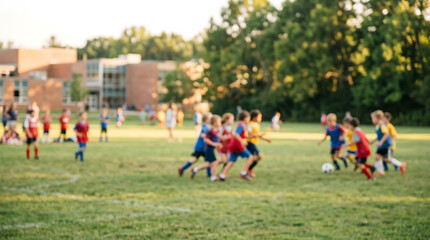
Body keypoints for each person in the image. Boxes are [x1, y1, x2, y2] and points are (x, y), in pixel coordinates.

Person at [219, 111, 254, 181]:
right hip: (237, 145)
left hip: (233, 145)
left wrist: (255, 136)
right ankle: (243, 173)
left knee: (232, 161)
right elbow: (235, 134)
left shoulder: (241, 125)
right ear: (245, 118)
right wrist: (242, 141)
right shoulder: (241, 125)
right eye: (248, 118)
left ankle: (222, 176)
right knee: (250, 157)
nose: (249, 120)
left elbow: (242, 135)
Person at [369, 110, 406, 176]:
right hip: (381, 145)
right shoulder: (376, 126)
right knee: (377, 157)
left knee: (387, 159)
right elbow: (379, 136)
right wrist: (372, 141)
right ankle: (381, 172)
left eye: (373, 118)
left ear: (378, 118)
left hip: (386, 145)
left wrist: (381, 142)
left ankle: (401, 165)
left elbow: (386, 134)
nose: (372, 119)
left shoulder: (382, 125)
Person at [178, 112, 212, 177]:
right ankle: (209, 174)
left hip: (199, 147)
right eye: (210, 119)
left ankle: (182, 168)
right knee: (209, 161)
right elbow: (202, 135)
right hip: (202, 147)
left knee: (195, 159)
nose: (211, 120)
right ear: (206, 119)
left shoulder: (206, 126)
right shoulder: (205, 127)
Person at [190, 115, 223, 182]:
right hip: (208, 149)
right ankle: (213, 177)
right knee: (215, 162)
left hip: (211, 149)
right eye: (219, 121)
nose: (220, 123)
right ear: (214, 123)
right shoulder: (211, 131)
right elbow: (206, 140)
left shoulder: (217, 130)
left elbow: (219, 138)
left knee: (210, 164)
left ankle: (195, 170)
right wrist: (215, 144)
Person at [246, 110, 271, 178]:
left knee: (251, 158)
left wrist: (266, 140)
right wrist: (259, 135)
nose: (260, 119)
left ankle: (247, 170)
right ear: (254, 118)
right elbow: (250, 134)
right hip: (250, 143)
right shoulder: (250, 124)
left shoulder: (257, 125)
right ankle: (248, 170)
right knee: (259, 156)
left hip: (254, 143)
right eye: (259, 117)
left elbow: (257, 135)